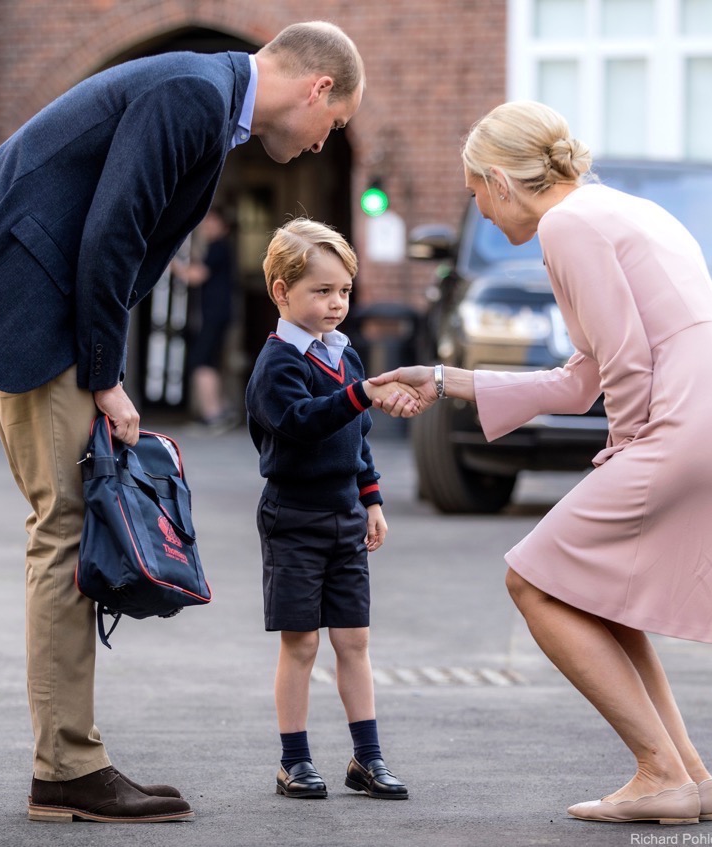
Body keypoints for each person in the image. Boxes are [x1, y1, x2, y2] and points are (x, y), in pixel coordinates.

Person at [0, 21, 365, 823]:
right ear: (317, 87)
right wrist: (106, 374)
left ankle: (69, 761)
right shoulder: (194, 94)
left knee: (65, 520)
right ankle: (67, 769)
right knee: (64, 526)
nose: (328, 144)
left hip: (32, 299)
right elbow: (111, 235)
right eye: (338, 124)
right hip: (29, 304)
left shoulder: (208, 98)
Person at [372, 100, 712, 825]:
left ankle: (660, 770)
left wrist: (623, 450)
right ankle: (688, 774)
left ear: (501, 180)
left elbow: (624, 362)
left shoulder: (567, 226)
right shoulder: (623, 212)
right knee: (602, 593)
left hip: (683, 423)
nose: (486, 215)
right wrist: (440, 379)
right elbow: (579, 376)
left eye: (477, 195)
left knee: (531, 579)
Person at [245, 218, 416, 802]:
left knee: (354, 642)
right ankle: (294, 761)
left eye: (344, 290)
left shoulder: (345, 356)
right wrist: (359, 395)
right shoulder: (277, 366)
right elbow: (303, 424)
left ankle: (366, 759)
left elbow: (357, 438)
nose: (337, 303)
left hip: (346, 516)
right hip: (293, 518)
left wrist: (372, 501)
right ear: (281, 292)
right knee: (301, 644)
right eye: (322, 291)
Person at [171, 207, 237, 429]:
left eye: (212, 222)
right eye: (206, 221)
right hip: (217, 314)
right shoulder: (218, 248)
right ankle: (220, 410)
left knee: (200, 360)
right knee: (209, 360)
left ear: (223, 226)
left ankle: (213, 414)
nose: (206, 226)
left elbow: (195, 276)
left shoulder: (219, 247)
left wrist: (169, 262)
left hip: (214, 314)